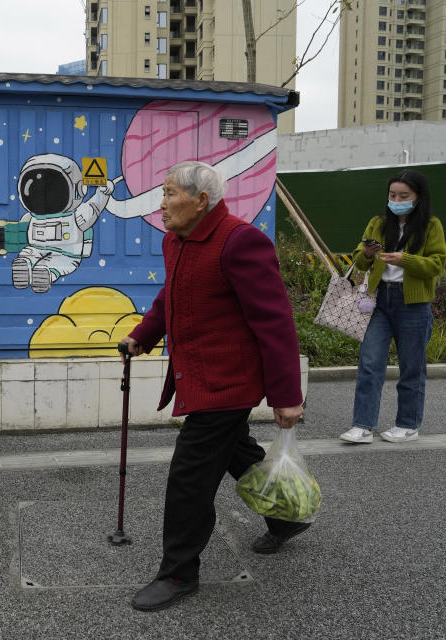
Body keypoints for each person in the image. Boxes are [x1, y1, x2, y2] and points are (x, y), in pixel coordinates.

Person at [119, 161, 306, 613]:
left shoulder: (240, 242)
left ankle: (179, 573)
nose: (160, 203)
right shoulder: (176, 241)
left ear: (200, 200)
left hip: (230, 381)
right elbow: (172, 294)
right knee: (236, 452)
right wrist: (143, 335)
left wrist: (286, 395)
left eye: (169, 193)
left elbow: (275, 322)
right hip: (198, 374)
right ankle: (285, 518)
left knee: (189, 477)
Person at [340, 170, 446, 445]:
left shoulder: (431, 226)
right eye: (392, 195)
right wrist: (366, 253)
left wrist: (405, 260)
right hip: (377, 301)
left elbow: (436, 264)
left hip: (412, 304)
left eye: (404, 196)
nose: (396, 200)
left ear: (418, 197)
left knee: (411, 367)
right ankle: (362, 425)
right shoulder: (377, 223)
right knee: (370, 362)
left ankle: (407, 424)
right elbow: (359, 261)